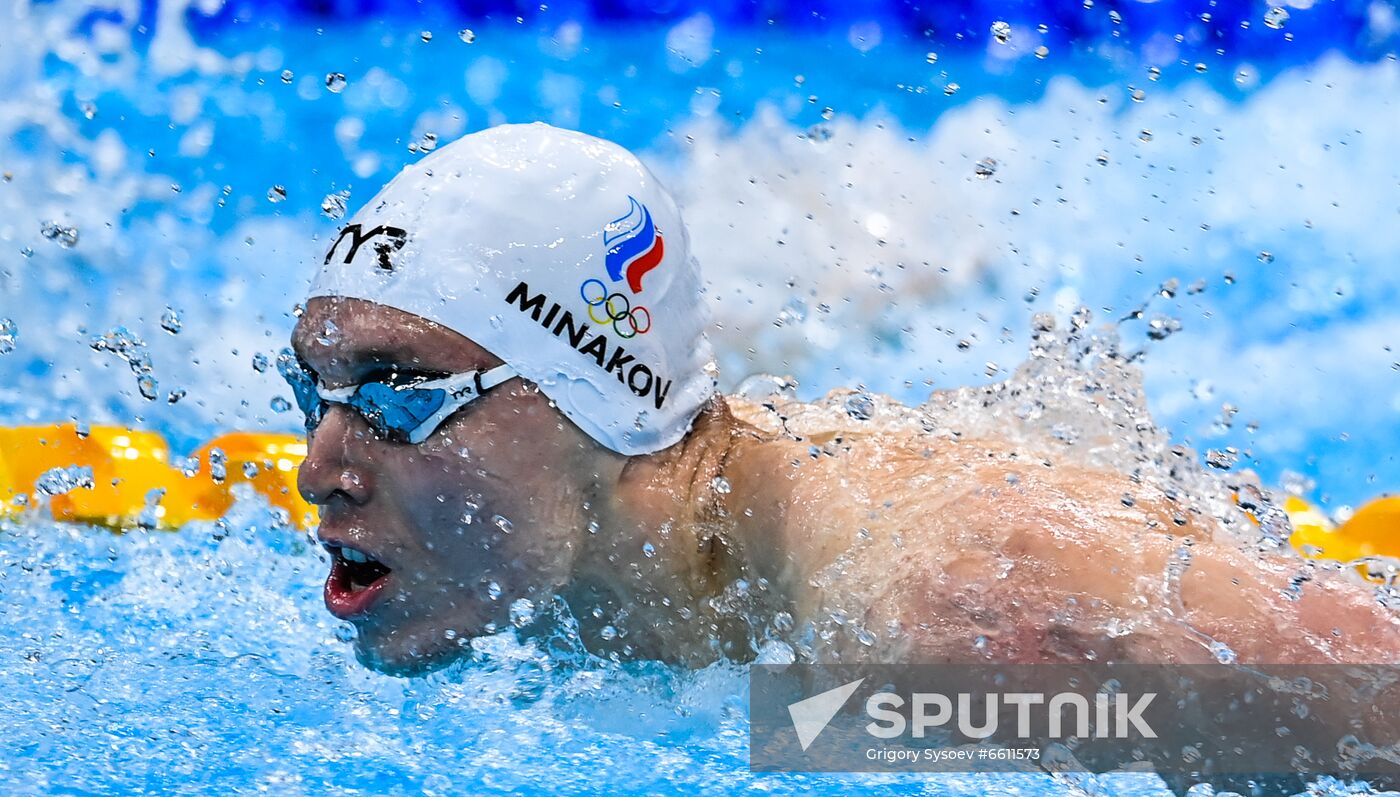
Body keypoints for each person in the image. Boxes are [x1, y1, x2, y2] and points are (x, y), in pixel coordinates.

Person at [288, 122, 1400, 677]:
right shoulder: (571, 587)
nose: (320, 467)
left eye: (402, 393)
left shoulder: (948, 628)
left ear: (603, 399)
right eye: (317, 391)